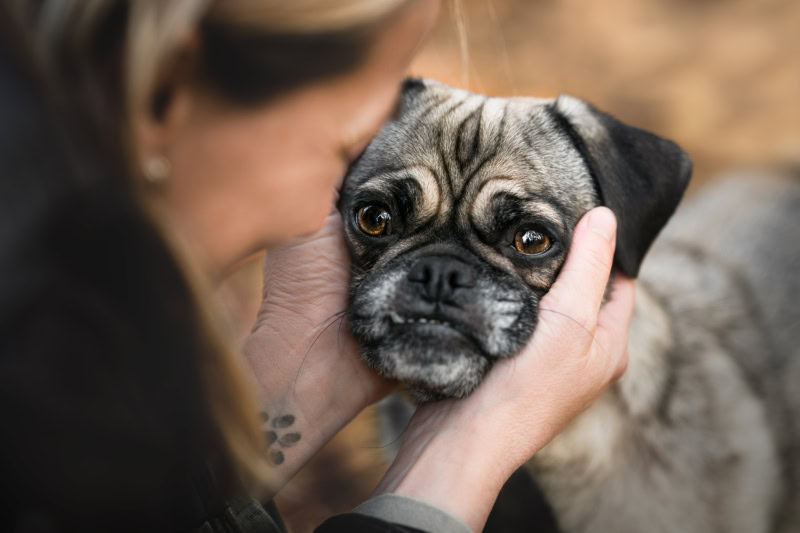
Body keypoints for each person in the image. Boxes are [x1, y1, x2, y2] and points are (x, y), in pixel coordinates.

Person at [0, 1, 633, 531]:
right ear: (166, 90)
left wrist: (300, 358)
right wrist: (457, 460)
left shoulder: (72, 334)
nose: (317, 218)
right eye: (373, 215)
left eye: (527, 238)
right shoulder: (35, 377)